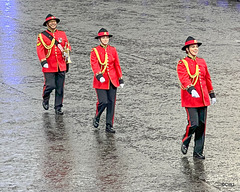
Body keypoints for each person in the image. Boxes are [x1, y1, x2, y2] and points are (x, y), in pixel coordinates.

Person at [176, 36, 216, 159]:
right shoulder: (182, 63)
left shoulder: (202, 61)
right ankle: (185, 140)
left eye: (196, 47)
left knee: (202, 126)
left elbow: (207, 78)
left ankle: (198, 152)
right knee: (193, 123)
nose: (195, 49)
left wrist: (212, 94)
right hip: (190, 99)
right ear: (187, 49)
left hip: (203, 98)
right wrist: (191, 89)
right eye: (193, 47)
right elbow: (184, 78)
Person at [90, 28, 124, 133]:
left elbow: (116, 65)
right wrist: (99, 75)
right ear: (99, 39)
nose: (105, 39)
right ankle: (97, 116)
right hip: (101, 81)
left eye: (106, 38)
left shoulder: (113, 50)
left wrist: (120, 78)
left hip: (112, 80)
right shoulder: (95, 51)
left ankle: (109, 125)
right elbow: (94, 64)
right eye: (103, 38)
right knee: (103, 102)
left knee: (111, 103)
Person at [37, 14, 71, 115]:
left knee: (60, 87)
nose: (53, 23)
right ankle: (45, 97)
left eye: (54, 22)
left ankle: (58, 107)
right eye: (51, 22)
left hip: (61, 64)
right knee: (50, 85)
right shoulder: (42, 36)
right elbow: (40, 50)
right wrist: (43, 61)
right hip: (49, 65)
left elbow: (67, 45)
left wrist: (67, 51)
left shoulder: (62, 34)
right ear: (47, 24)